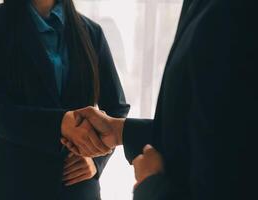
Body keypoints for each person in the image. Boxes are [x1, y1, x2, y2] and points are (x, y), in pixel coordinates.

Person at [60, 0, 257, 199]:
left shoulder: (234, 13)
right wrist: (121, 131)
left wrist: (151, 187)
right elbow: (208, 126)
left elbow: (231, 161)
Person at [0, 0, 130, 199]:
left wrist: (96, 160)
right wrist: (60, 124)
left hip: (76, 187)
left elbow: (116, 108)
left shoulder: (91, 32)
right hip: (13, 184)